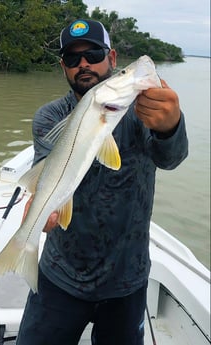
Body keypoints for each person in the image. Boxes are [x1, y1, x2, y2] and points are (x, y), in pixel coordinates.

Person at [16, 19, 188, 345]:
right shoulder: (49, 117)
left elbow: (171, 158)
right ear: (63, 67)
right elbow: (47, 173)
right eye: (72, 58)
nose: (83, 64)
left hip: (127, 279)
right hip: (60, 274)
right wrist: (41, 210)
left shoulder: (145, 110)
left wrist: (170, 127)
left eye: (93, 54)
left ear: (112, 57)